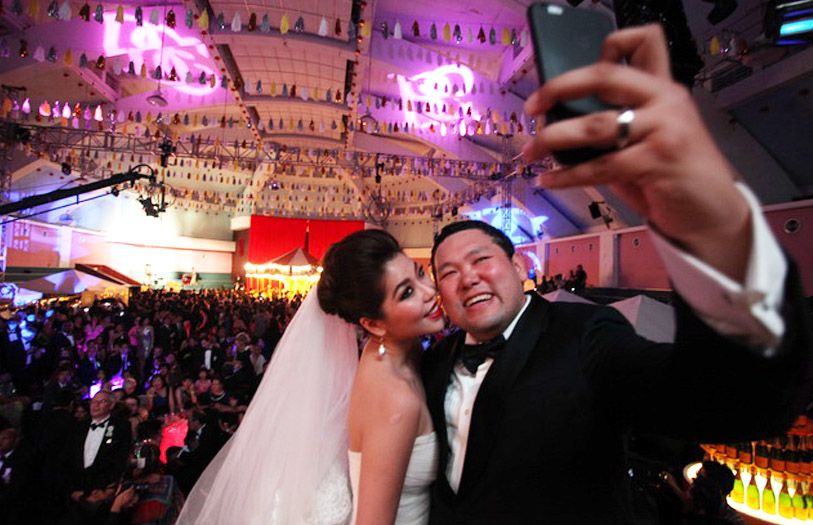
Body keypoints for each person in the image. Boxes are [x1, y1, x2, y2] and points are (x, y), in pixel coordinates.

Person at [422, 25, 810, 524]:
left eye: (481, 260)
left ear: (519, 267)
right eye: (448, 272)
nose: (467, 278)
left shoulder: (587, 338)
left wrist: (703, 218)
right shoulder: (434, 365)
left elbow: (734, 398)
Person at [178, 230, 445, 524]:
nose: (429, 292)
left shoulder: (379, 355)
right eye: (407, 292)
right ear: (373, 324)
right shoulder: (395, 400)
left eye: (421, 274)